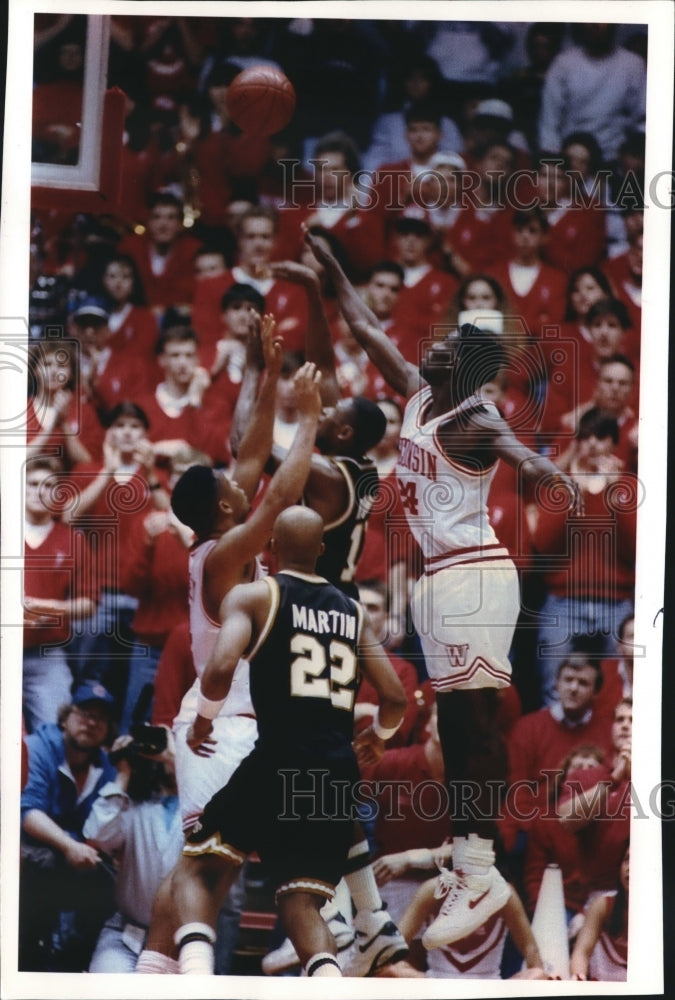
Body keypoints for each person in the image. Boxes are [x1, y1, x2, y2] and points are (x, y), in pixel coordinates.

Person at [304, 227, 582, 949]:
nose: (432, 347)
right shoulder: (418, 393)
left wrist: (553, 476)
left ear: (468, 369)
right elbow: (363, 323)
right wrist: (330, 262)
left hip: (476, 576)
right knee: (455, 731)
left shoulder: (474, 415)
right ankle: (469, 865)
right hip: (439, 581)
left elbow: (521, 453)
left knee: (473, 726)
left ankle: (482, 868)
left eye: (449, 348)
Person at [135, 325, 324, 973]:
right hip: (220, 723)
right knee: (209, 869)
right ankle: (191, 976)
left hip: (233, 717)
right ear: (223, 507)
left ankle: (151, 970)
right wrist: (310, 421)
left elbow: (248, 455)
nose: (242, 476)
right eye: (230, 484)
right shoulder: (222, 557)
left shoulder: (216, 537)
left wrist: (269, 373)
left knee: (199, 864)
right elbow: (277, 496)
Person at [170, 506, 408, 977]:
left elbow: (218, 671)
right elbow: (396, 699)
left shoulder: (256, 595)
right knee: (303, 902)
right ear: (322, 550)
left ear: (270, 548)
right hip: (337, 770)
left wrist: (202, 723)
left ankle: (194, 976)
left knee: (199, 866)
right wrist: (378, 738)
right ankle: (331, 978)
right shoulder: (354, 610)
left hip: (278, 758)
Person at [19, 684, 118, 971]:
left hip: (74, 855)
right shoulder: (37, 748)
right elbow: (27, 812)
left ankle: (74, 962)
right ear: (65, 717)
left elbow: (104, 827)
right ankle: (30, 954)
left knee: (107, 877)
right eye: (85, 713)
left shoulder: (105, 767)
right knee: (46, 863)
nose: (91, 722)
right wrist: (70, 846)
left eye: (101, 718)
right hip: (33, 850)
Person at [82, 733, 184, 972]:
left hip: (181, 943)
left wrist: (173, 758)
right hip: (126, 935)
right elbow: (96, 835)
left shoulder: (202, 807)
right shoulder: (137, 808)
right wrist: (123, 770)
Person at [23, 456, 98, 730]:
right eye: (32, 484)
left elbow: (89, 604)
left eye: (49, 484)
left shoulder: (73, 540)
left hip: (47, 653)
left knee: (57, 731)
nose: (40, 491)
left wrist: (50, 607)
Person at [569, 840, 629, 981]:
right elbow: (581, 953)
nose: (630, 867)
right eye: (627, 860)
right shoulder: (603, 906)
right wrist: (578, 979)